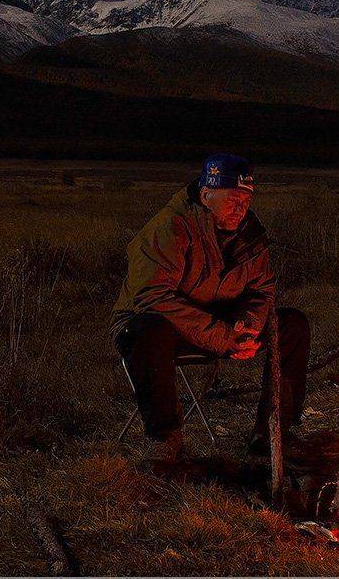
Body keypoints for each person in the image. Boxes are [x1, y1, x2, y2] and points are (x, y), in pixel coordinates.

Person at [111, 153, 310, 468]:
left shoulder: (249, 236)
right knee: (148, 330)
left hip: (218, 322)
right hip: (158, 325)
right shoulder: (172, 227)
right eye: (232, 198)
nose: (240, 207)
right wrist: (224, 337)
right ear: (206, 195)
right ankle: (165, 439)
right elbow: (152, 298)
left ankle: (274, 432)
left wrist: (248, 326)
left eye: (246, 199)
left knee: (293, 324)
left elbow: (261, 289)